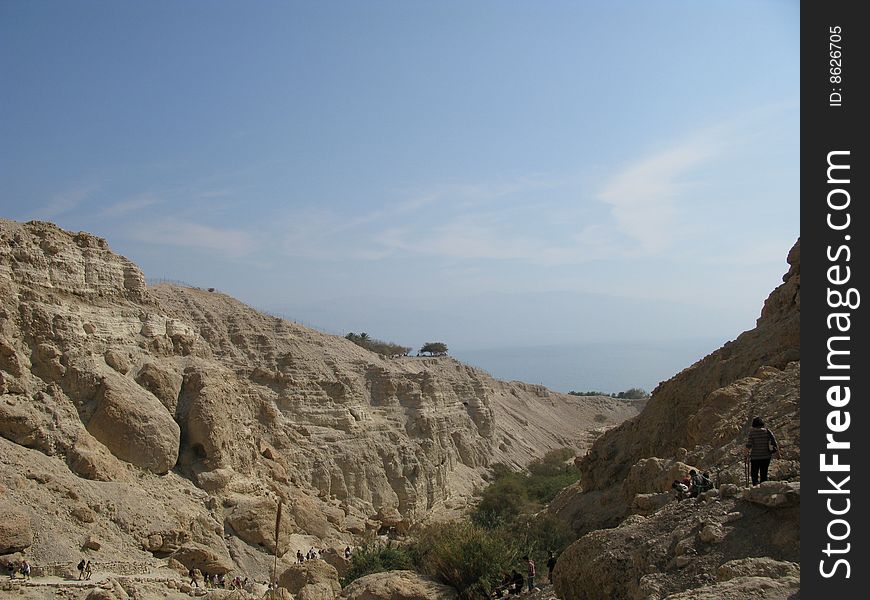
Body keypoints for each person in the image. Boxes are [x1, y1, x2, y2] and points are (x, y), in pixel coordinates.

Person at [745, 416, 778, 485]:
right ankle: (764, 489)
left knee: (754, 474)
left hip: (755, 457)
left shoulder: (752, 433)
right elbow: (774, 442)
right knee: (764, 473)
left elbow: (748, 445)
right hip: (766, 456)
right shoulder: (767, 431)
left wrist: (745, 455)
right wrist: (778, 453)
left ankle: (755, 488)